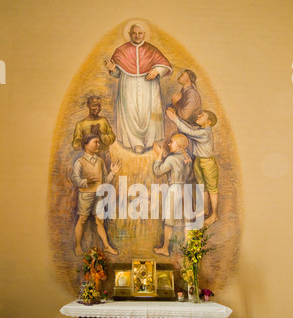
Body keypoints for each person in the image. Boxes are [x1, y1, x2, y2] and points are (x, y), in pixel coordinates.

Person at [104, 23, 172, 154]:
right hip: (128, 85)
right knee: (130, 112)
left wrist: (157, 70)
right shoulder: (121, 51)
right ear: (129, 34)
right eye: (134, 33)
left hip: (149, 85)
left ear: (144, 34)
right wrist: (113, 69)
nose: (137, 36)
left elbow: (164, 65)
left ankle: (149, 140)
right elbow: (117, 73)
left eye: (140, 33)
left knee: (148, 110)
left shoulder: (152, 50)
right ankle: (136, 143)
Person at [166, 108, 219, 226]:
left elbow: (189, 131)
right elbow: (190, 129)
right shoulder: (201, 129)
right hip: (199, 160)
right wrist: (177, 117)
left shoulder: (205, 133)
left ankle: (214, 214)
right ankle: (205, 209)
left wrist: (174, 118)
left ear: (208, 122)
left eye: (203, 115)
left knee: (212, 188)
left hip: (208, 163)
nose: (199, 115)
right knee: (202, 186)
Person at [71, 134, 121, 257]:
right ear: (86, 145)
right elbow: (74, 179)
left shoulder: (100, 161)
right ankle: (77, 246)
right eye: (95, 142)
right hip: (85, 196)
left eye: (99, 142)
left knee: (100, 221)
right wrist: (85, 181)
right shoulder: (79, 162)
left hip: (98, 195)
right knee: (82, 220)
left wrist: (113, 173)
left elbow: (104, 180)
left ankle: (107, 246)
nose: (98, 145)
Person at [152, 134, 192, 257]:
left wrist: (159, 154)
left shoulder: (171, 159)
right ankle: (189, 248)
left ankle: (165, 248)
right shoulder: (187, 157)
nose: (169, 144)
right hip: (186, 189)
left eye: (172, 142)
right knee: (187, 221)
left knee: (169, 221)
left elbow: (158, 171)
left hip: (175, 189)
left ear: (179, 145)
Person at [72, 95, 116, 168]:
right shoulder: (80, 124)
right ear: (88, 105)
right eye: (94, 105)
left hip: (105, 157)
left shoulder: (104, 121)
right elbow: (75, 146)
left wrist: (100, 134)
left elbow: (112, 138)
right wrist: (89, 136)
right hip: (89, 159)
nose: (97, 108)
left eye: (99, 106)